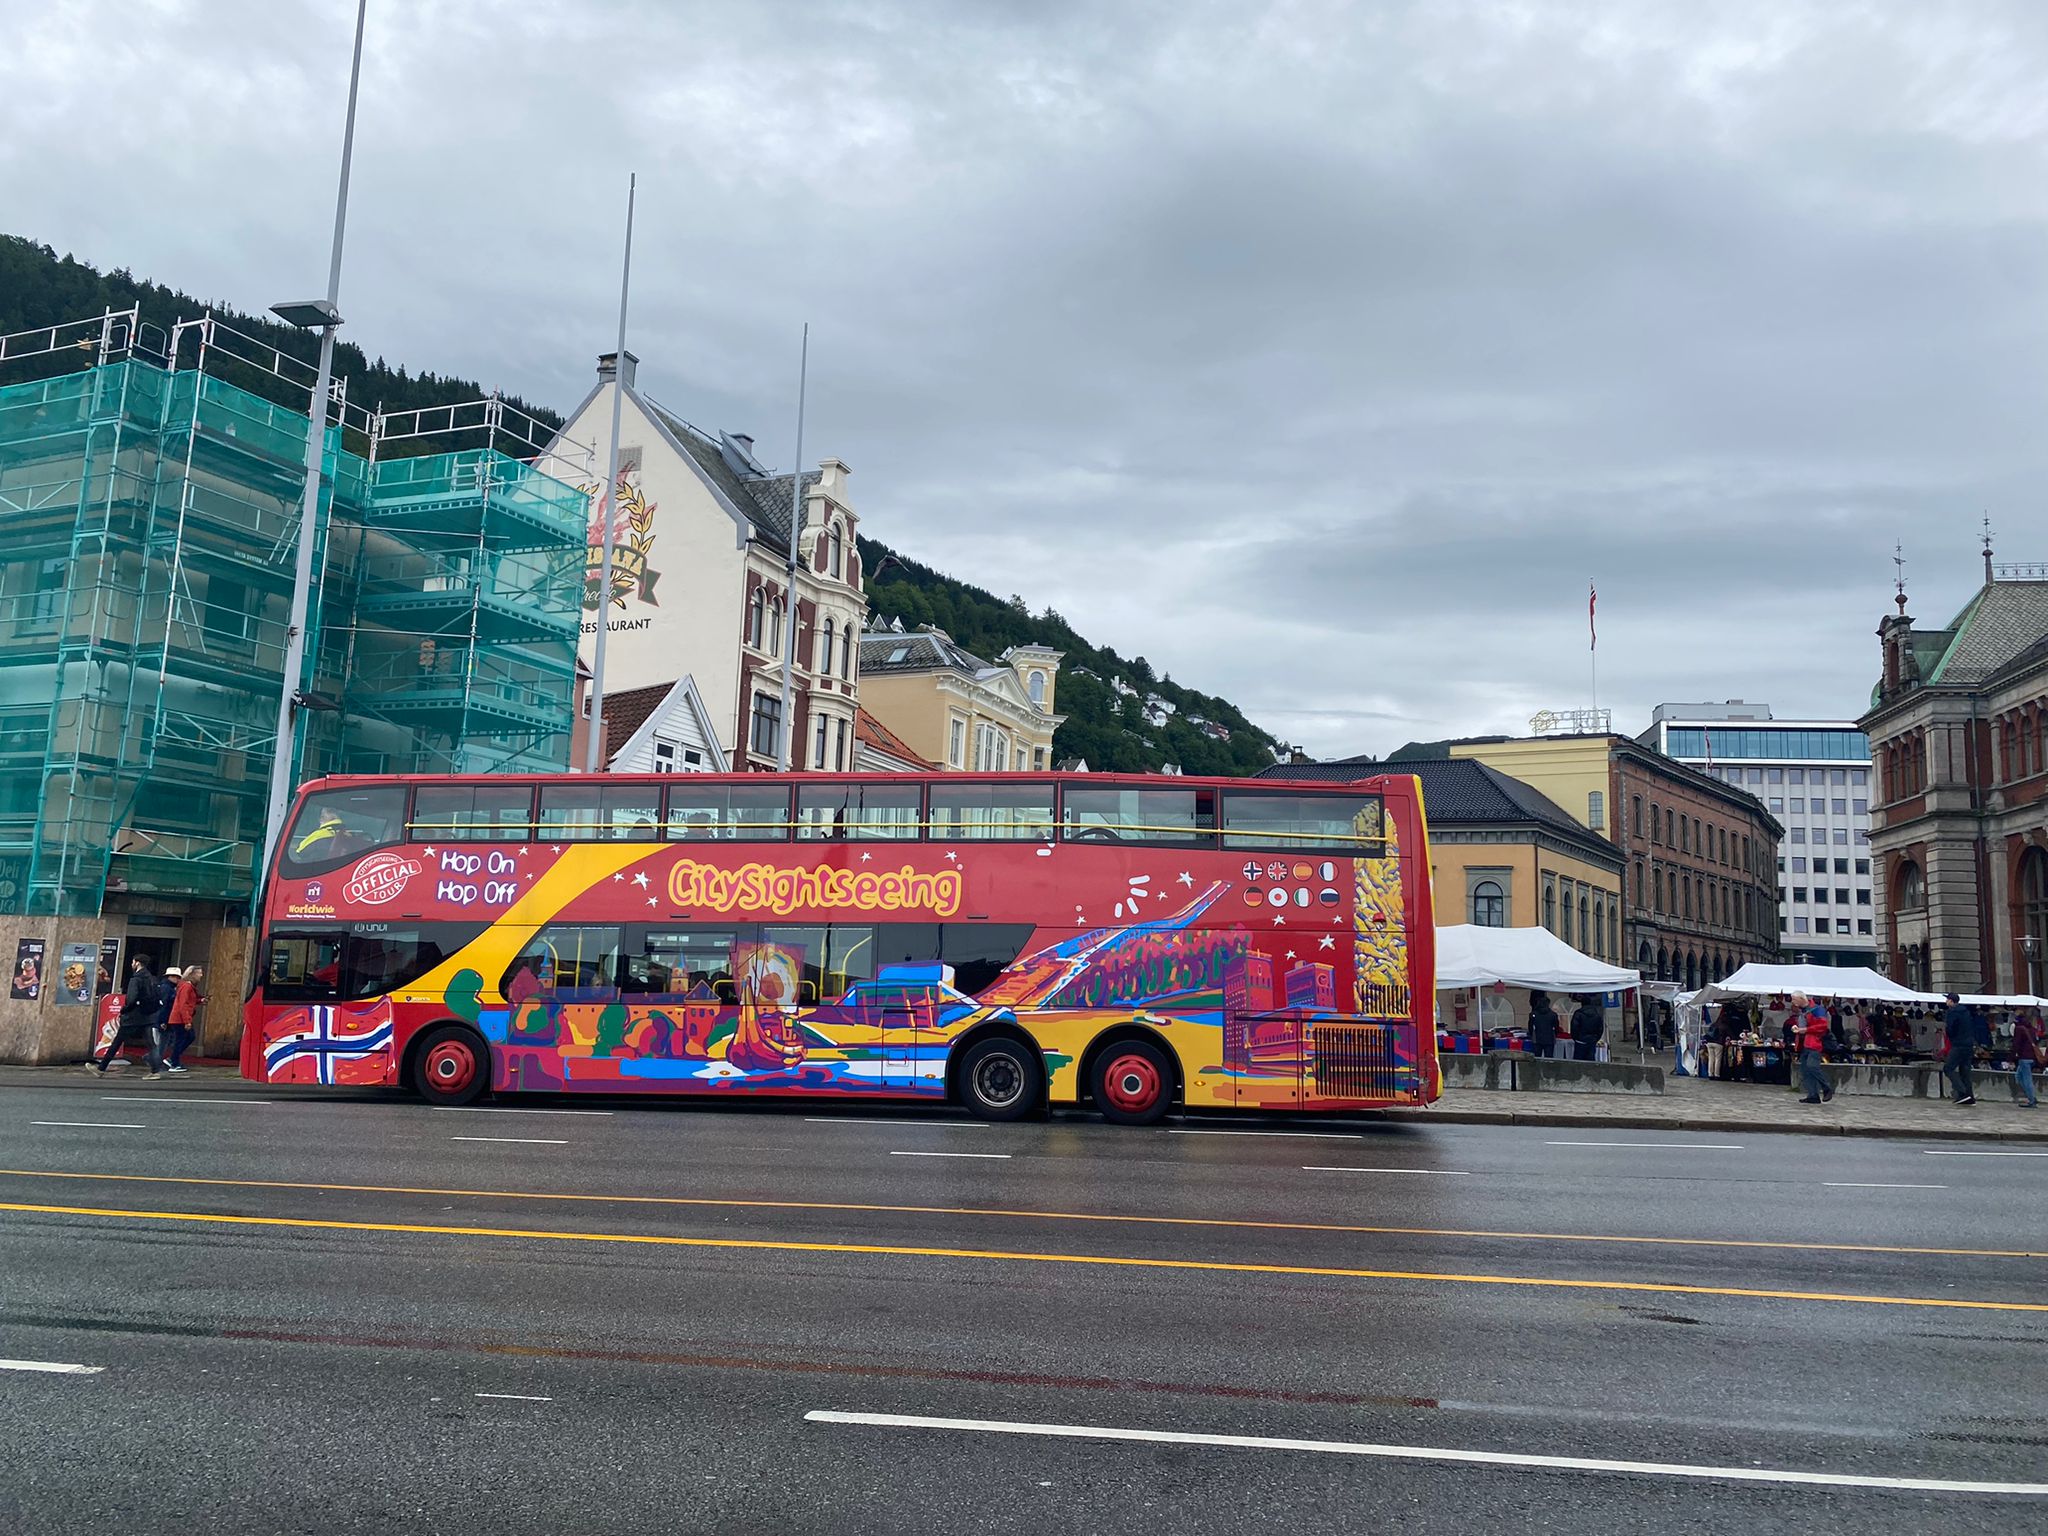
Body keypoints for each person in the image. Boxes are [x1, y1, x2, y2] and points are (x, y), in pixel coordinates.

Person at [88, 955, 164, 1078]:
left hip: (133, 1016)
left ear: (138, 963)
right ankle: (155, 1071)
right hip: (148, 1016)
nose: (132, 964)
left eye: (133, 962)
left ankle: (101, 1068)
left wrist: (124, 1010)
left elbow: (131, 999)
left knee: (117, 1042)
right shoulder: (151, 978)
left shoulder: (136, 979)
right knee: (151, 1044)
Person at [1791, 991, 1834, 1104]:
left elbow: (1822, 1026)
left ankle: (1826, 1088)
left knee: (1812, 1066)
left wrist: (1804, 1030)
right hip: (1805, 1043)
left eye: (1794, 1000)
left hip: (1815, 1043)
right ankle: (1813, 1095)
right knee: (1805, 1070)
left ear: (1801, 999)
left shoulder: (1817, 1009)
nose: (1793, 1002)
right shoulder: (1805, 1011)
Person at [164, 964, 204, 1074]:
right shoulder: (187, 986)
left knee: (187, 1038)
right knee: (182, 1039)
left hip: (179, 1017)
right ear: (192, 974)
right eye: (199, 973)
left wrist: (200, 1001)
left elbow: (189, 1001)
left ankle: (173, 1059)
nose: (201, 975)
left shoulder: (187, 986)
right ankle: (174, 1061)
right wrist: (187, 1021)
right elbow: (183, 1004)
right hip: (180, 1018)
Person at [1941, 991, 1977, 1106]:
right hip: (1969, 1044)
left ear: (1951, 1001)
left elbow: (1950, 1028)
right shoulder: (1966, 1012)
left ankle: (1963, 1093)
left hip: (1958, 1044)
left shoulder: (1952, 1012)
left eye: (1947, 1000)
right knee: (1965, 1070)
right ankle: (1970, 1097)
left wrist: (1950, 1037)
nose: (1946, 1001)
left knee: (1948, 1068)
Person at [2013, 1008, 2042, 1110]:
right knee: (2020, 1077)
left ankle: (2031, 1100)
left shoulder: (2019, 1029)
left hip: (2024, 1057)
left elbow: (2016, 1044)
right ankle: (2031, 1097)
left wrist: (2011, 1057)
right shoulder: (2032, 1030)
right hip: (2031, 1057)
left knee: (2025, 1079)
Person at [1569, 995, 1605, 1062]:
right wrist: (1595, 1038)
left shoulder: (1578, 1013)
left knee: (1578, 1062)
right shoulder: (1597, 1014)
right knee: (1590, 1061)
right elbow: (1600, 1029)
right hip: (1592, 1041)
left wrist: (1576, 1038)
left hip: (1580, 1041)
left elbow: (1574, 1027)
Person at [1525, 991, 1559, 1060]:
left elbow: (1530, 1027)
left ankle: (1536, 1070)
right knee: (1549, 1059)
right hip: (1549, 1039)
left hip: (1537, 1039)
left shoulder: (1533, 1014)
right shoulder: (1553, 1015)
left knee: (1537, 1058)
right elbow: (1556, 1027)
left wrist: (1532, 1035)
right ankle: (1548, 1070)